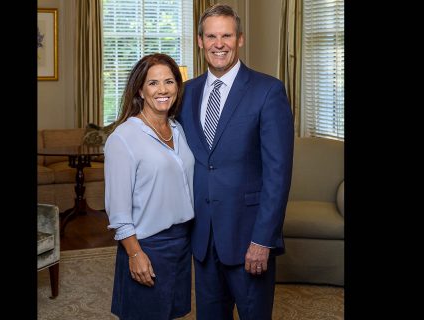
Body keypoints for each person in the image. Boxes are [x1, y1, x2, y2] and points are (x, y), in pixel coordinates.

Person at [176, 4, 294, 319]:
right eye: (211, 36)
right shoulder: (186, 93)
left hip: (248, 239)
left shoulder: (268, 91)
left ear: (239, 39)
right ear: (200, 41)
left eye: (226, 35)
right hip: (203, 240)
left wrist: (262, 240)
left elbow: (277, 175)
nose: (219, 43)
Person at [104, 53, 195, 319]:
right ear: (140, 90)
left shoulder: (177, 129)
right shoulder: (123, 138)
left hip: (181, 241)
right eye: (153, 83)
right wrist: (135, 254)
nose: (163, 90)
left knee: (170, 313)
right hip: (147, 244)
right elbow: (118, 210)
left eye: (169, 81)